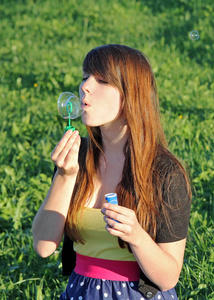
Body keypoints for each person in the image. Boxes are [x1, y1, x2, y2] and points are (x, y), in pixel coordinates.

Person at [32, 44, 192, 300]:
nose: (85, 86)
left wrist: (136, 236)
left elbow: (168, 277)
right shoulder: (77, 158)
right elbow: (42, 246)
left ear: (131, 95)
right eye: (86, 76)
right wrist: (64, 175)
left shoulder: (165, 174)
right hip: (80, 292)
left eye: (102, 80)